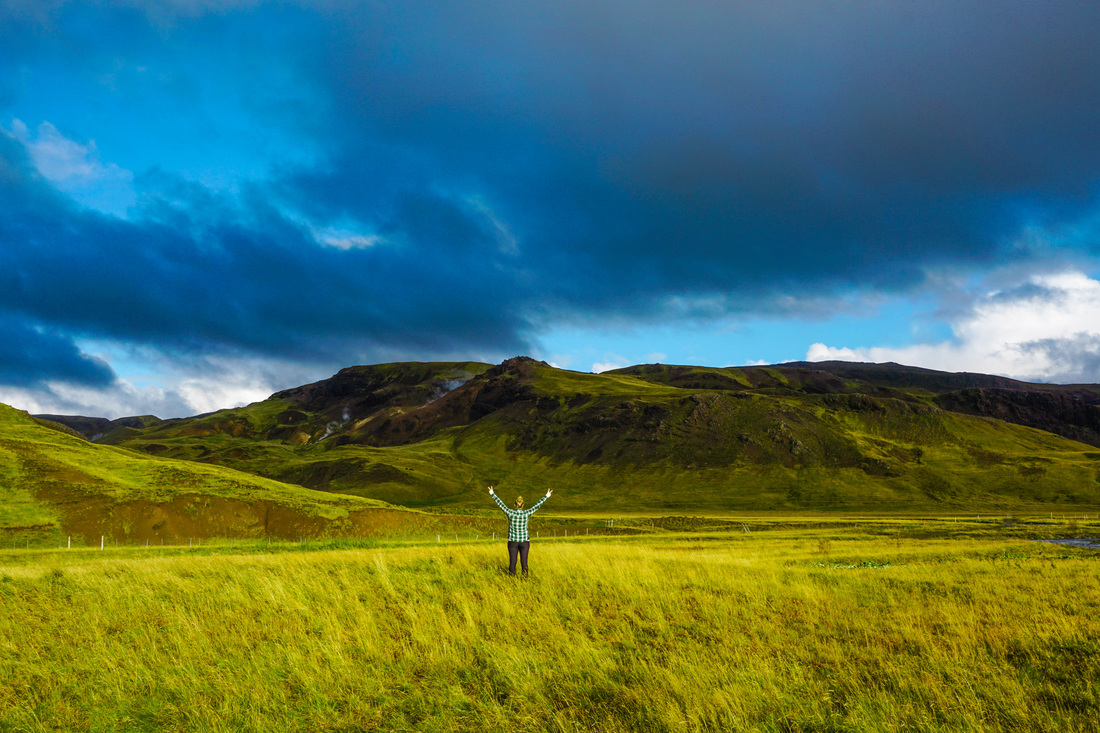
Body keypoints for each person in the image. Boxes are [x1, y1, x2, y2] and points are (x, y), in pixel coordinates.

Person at [488, 485, 552, 575]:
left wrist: (492, 493)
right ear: (522, 505)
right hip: (524, 542)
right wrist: (547, 495)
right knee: (524, 563)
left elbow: (500, 504)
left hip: (512, 542)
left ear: (514, 505)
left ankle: (511, 580)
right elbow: (537, 506)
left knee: (512, 563)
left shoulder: (510, 513)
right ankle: (524, 580)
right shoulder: (526, 514)